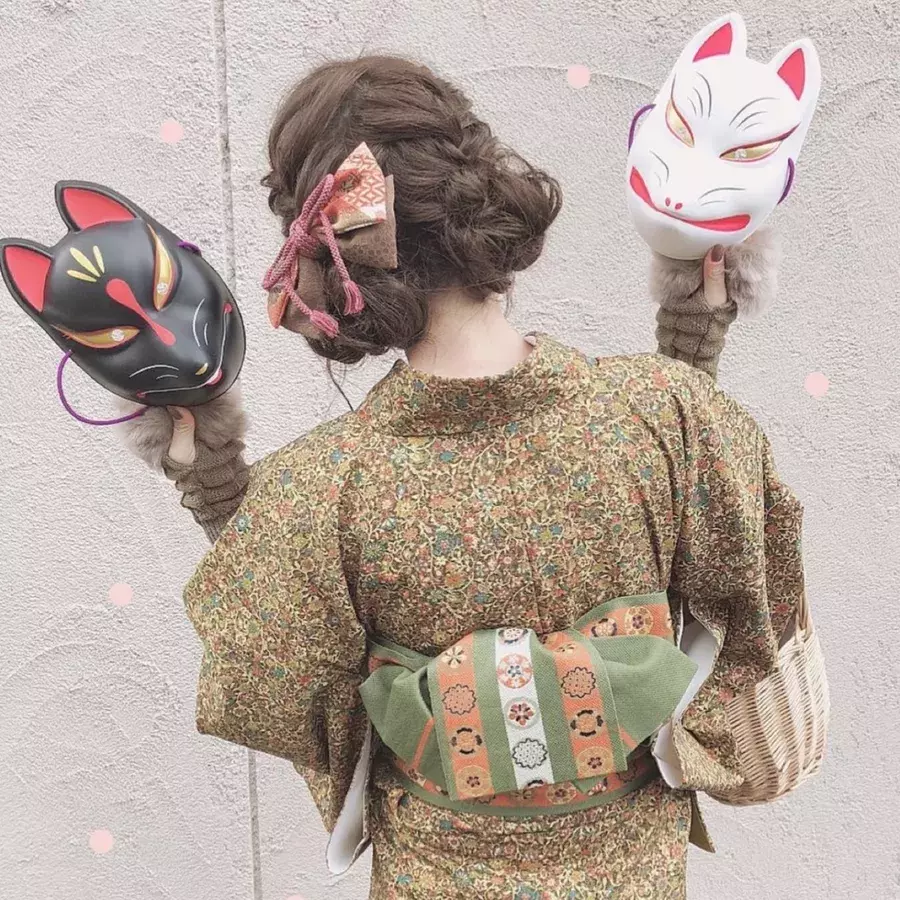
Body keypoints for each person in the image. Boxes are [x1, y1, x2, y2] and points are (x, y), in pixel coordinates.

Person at [120, 56, 802, 900]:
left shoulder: (325, 487)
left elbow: (283, 657)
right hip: (635, 873)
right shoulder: (660, 414)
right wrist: (693, 332)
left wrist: (214, 481)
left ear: (332, 251)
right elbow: (727, 539)